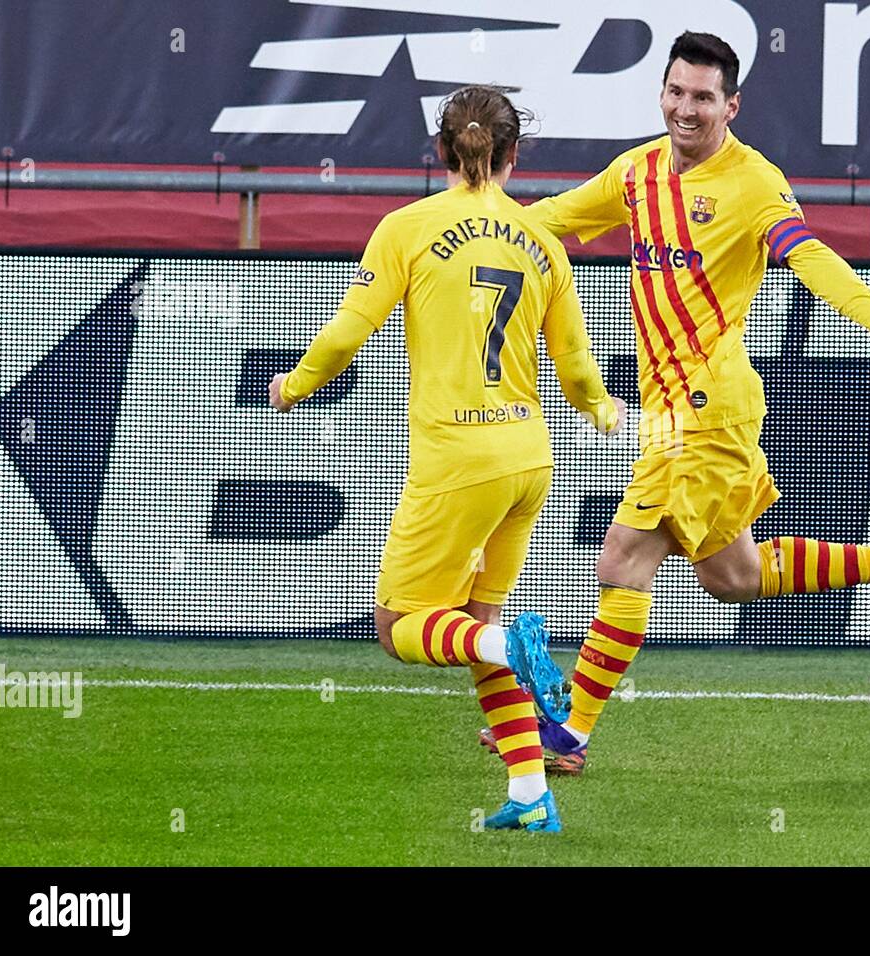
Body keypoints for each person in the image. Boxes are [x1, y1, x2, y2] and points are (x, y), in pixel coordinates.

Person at [482, 32, 870, 776]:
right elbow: (553, 218)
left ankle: (568, 734)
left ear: (730, 105)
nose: (685, 108)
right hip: (676, 408)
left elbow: (808, 255)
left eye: (703, 97)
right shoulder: (636, 172)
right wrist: (472, 223)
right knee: (731, 578)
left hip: (708, 406)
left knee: (623, 559)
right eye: (676, 91)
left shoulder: (755, 183)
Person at [268, 85, 624, 831]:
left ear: (440, 149)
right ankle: (530, 796)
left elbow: (343, 336)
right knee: (474, 620)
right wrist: (606, 415)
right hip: (531, 460)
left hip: (459, 462)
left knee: (398, 626)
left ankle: (508, 643)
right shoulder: (544, 244)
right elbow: (580, 371)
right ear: (513, 154)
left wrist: (293, 387)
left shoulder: (408, 227)